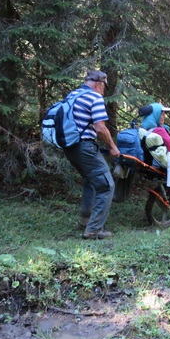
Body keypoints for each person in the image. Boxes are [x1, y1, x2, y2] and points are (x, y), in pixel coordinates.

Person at [63, 70, 120, 240]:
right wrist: (112, 147)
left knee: (92, 180)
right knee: (107, 185)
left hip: (70, 147)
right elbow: (100, 127)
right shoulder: (94, 98)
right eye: (104, 87)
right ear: (98, 84)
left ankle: (86, 219)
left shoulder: (73, 95)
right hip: (85, 146)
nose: (103, 91)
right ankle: (94, 229)